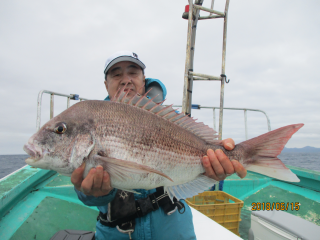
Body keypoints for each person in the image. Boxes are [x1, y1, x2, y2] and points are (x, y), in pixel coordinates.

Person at [71, 51, 247, 240]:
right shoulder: (93, 120)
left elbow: (196, 177)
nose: (125, 80)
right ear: (106, 84)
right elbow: (85, 194)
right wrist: (95, 193)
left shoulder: (169, 119)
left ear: (143, 79)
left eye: (133, 72)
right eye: (116, 74)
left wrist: (215, 170)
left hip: (173, 230)